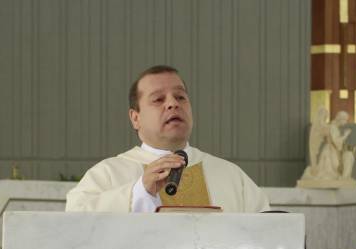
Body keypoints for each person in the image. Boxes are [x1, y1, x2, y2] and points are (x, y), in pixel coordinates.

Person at [65, 65, 270, 213]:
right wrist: (139, 192)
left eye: (180, 97)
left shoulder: (231, 176)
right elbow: (74, 222)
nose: (173, 104)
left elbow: (267, 232)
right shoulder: (109, 174)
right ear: (135, 118)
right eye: (158, 99)